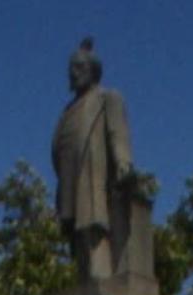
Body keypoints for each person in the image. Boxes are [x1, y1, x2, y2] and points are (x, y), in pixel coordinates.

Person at [52, 38, 133, 281]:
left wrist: (123, 162)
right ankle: (86, 284)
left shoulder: (108, 98)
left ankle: (100, 279)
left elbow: (117, 132)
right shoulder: (68, 110)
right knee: (77, 237)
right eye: (71, 69)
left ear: (93, 70)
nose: (74, 73)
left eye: (80, 68)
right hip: (69, 180)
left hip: (93, 177)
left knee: (93, 228)